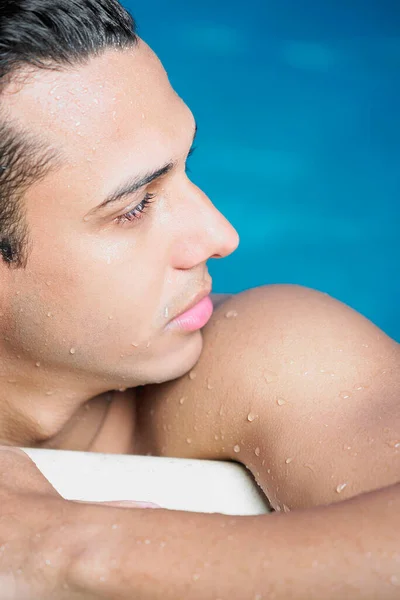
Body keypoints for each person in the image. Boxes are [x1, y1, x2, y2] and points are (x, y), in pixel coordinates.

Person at [0, 0, 399, 598]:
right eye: (134, 207)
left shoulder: (272, 354)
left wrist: (62, 546)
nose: (222, 236)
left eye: (187, 167)